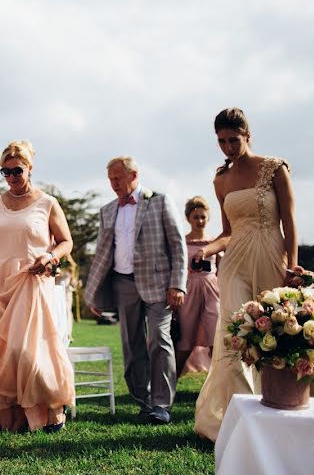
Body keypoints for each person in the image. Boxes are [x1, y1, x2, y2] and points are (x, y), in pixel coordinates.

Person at [0, 140, 75, 432]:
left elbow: (66, 242)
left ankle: (50, 412)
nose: (11, 177)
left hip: (32, 282)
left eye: (16, 170)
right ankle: (8, 417)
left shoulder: (47, 203)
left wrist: (50, 256)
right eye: (4, 172)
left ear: (30, 168)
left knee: (24, 349)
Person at [193, 108, 300, 441]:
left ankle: (277, 407)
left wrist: (292, 264)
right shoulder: (220, 180)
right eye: (222, 141)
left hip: (271, 255)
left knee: (274, 335)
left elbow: (290, 221)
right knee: (235, 334)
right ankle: (240, 419)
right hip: (235, 261)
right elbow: (226, 233)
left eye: (233, 140)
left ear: (247, 136)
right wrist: (206, 250)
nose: (227, 147)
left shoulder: (274, 169)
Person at [84, 156, 187, 425]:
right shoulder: (107, 210)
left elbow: (177, 244)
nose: (113, 184)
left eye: (117, 178)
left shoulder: (160, 201)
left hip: (160, 285)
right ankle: (143, 400)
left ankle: (162, 404)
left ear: (134, 175)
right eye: (110, 179)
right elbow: (102, 254)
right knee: (131, 346)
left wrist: (177, 284)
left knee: (159, 339)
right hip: (122, 284)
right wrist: (92, 292)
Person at [175, 196, 220, 374]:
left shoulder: (215, 243)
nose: (200, 221)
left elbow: (223, 269)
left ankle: (218, 388)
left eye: (203, 217)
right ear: (188, 218)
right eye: (196, 217)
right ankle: (170, 385)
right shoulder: (181, 242)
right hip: (189, 291)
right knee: (185, 343)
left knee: (216, 340)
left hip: (212, 291)